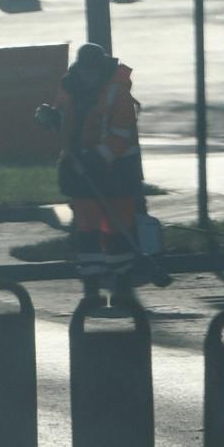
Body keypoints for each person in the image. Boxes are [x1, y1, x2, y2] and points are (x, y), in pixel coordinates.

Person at [49, 42, 162, 280]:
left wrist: (95, 158)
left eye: (94, 71)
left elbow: (122, 132)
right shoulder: (68, 85)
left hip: (117, 171)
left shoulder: (117, 91)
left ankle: (121, 275)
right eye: (85, 71)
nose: (89, 76)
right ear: (78, 69)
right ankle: (92, 276)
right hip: (80, 166)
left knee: (117, 224)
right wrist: (49, 117)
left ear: (102, 69)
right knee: (87, 224)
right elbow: (63, 116)